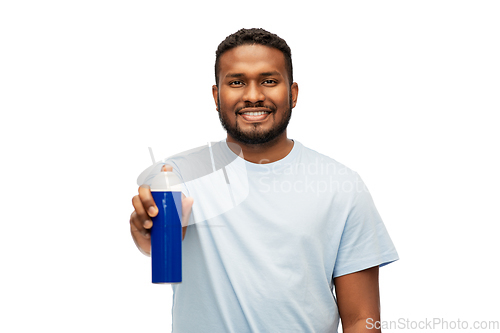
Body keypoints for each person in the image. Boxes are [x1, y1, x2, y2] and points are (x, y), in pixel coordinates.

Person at [130, 28, 399, 333]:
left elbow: (361, 318)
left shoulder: (342, 186)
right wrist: (148, 231)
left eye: (269, 81)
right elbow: (154, 241)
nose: (254, 95)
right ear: (217, 96)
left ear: (293, 94)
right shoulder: (180, 176)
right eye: (236, 82)